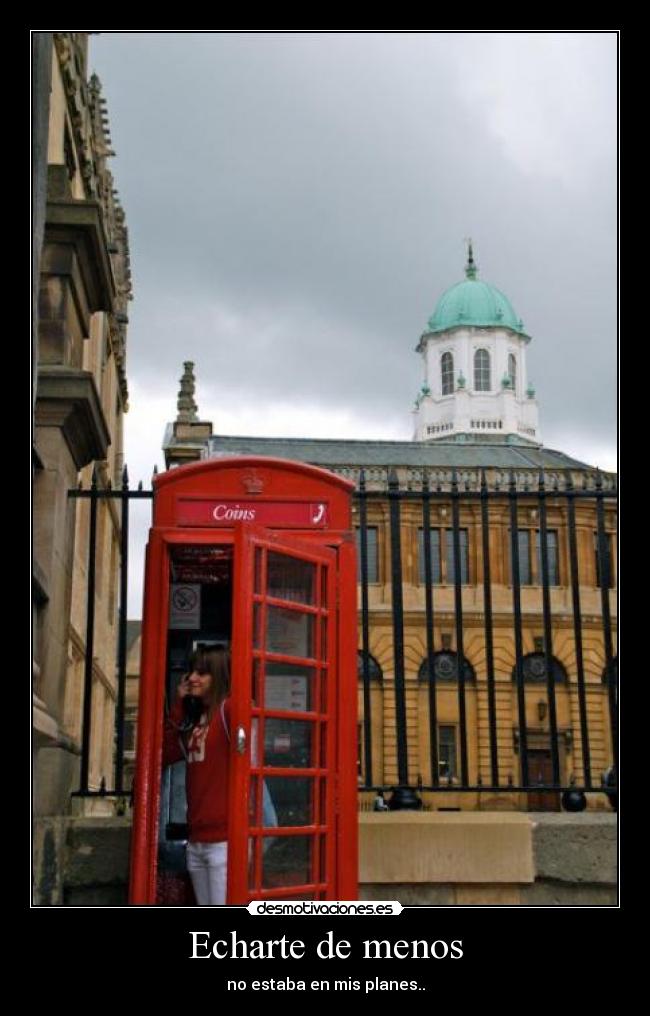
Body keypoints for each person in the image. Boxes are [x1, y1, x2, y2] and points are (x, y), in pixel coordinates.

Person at [163, 646, 231, 905]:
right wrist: (179, 705)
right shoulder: (197, 722)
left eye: (202, 673)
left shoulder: (228, 710)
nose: (192, 678)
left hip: (224, 839)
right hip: (197, 839)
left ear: (219, 675)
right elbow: (165, 754)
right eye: (191, 671)